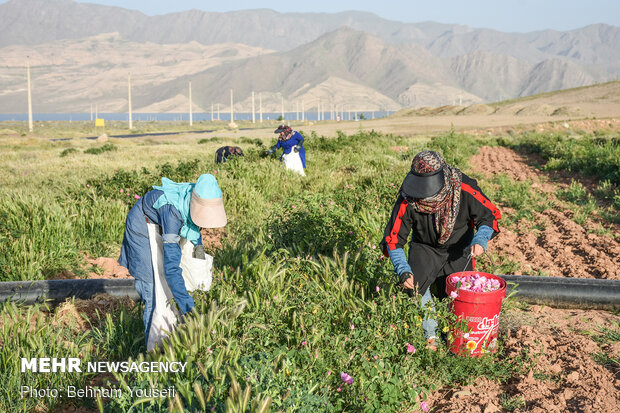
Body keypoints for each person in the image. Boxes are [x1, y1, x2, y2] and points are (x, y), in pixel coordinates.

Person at [380, 150, 501, 350]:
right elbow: (394, 239)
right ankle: (431, 336)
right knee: (416, 287)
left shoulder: (463, 187)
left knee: (461, 292)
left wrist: (480, 239)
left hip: (461, 246)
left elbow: (488, 217)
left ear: (443, 178)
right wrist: (403, 269)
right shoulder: (408, 199)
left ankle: (459, 336)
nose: (425, 197)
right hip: (425, 247)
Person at [119, 174, 227, 344]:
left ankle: (173, 332)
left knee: (178, 277)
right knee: (153, 287)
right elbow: (171, 267)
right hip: (142, 226)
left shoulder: (195, 197)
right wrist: (188, 308)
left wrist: (199, 260)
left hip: (161, 224)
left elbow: (195, 233)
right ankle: (154, 350)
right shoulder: (172, 213)